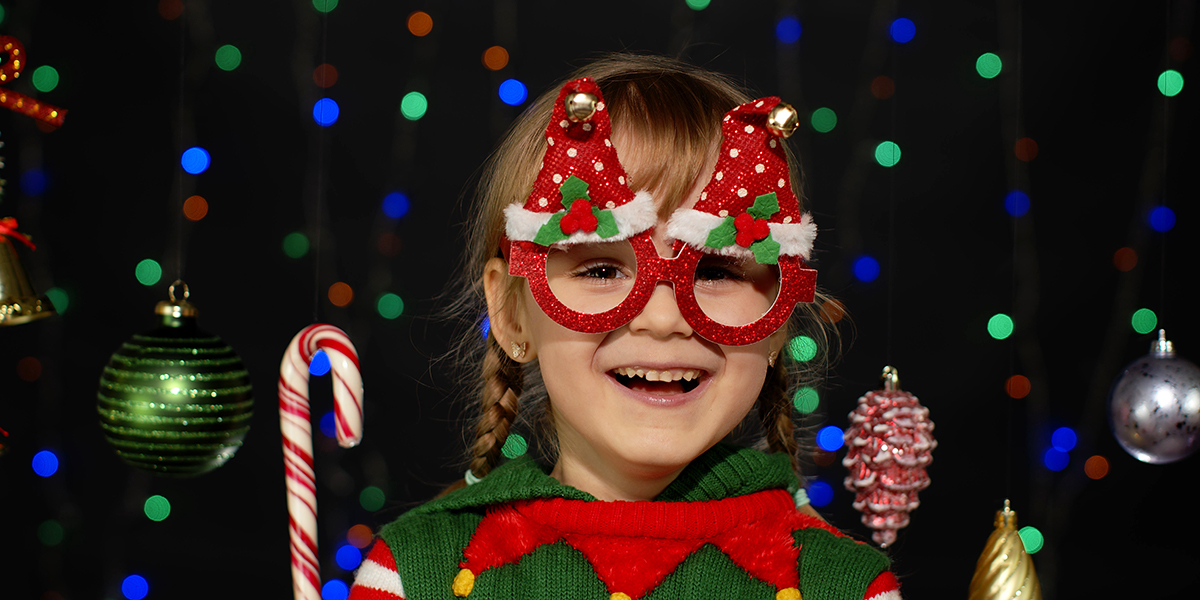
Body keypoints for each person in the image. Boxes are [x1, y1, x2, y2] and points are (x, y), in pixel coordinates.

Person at [348, 54, 901, 600]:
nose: (663, 319)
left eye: (715, 269)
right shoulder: (415, 575)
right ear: (513, 312)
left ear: (777, 322)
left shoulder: (844, 588)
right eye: (601, 269)